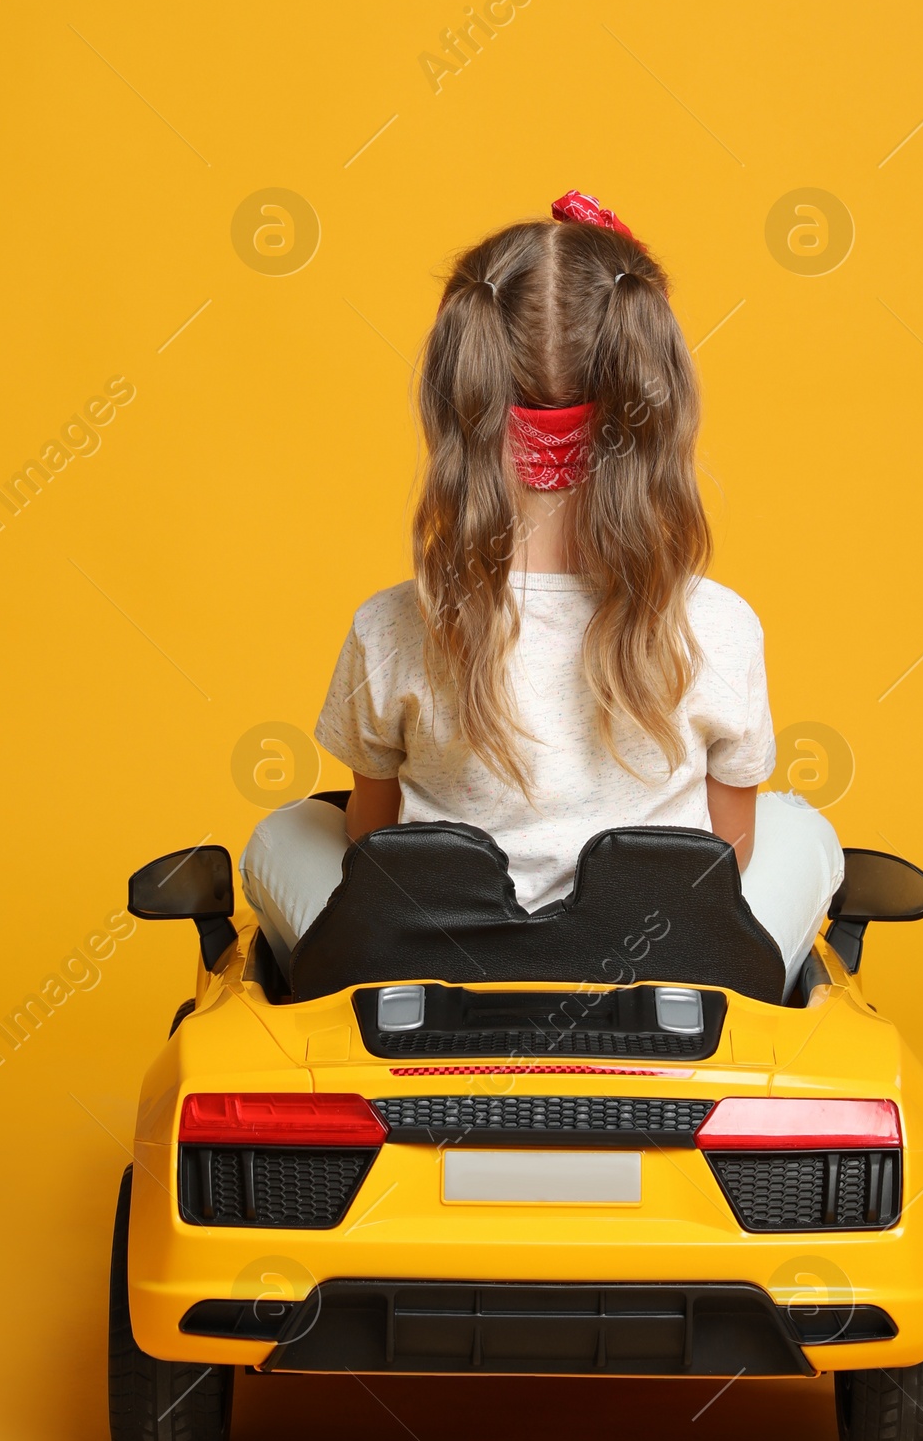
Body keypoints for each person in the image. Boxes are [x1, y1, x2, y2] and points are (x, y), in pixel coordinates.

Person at [240, 190, 843, 998]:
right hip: (661, 965)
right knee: (802, 828)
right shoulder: (721, 625)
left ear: (458, 401)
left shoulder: (391, 624)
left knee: (283, 831)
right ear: (655, 405)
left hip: (433, 966)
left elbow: (370, 840)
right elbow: (727, 853)